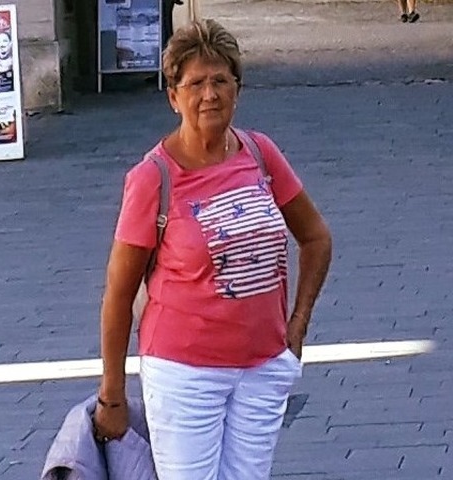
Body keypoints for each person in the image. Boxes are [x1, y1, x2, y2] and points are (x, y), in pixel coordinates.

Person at [94, 19, 332, 480]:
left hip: (263, 368)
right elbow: (118, 296)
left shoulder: (260, 153)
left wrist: (298, 323)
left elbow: (316, 237)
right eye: (196, 83)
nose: (210, 95)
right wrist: (112, 393)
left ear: (237, 89)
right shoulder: (153, 178)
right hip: (184, 374)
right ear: (173, 96)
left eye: (221, 81)